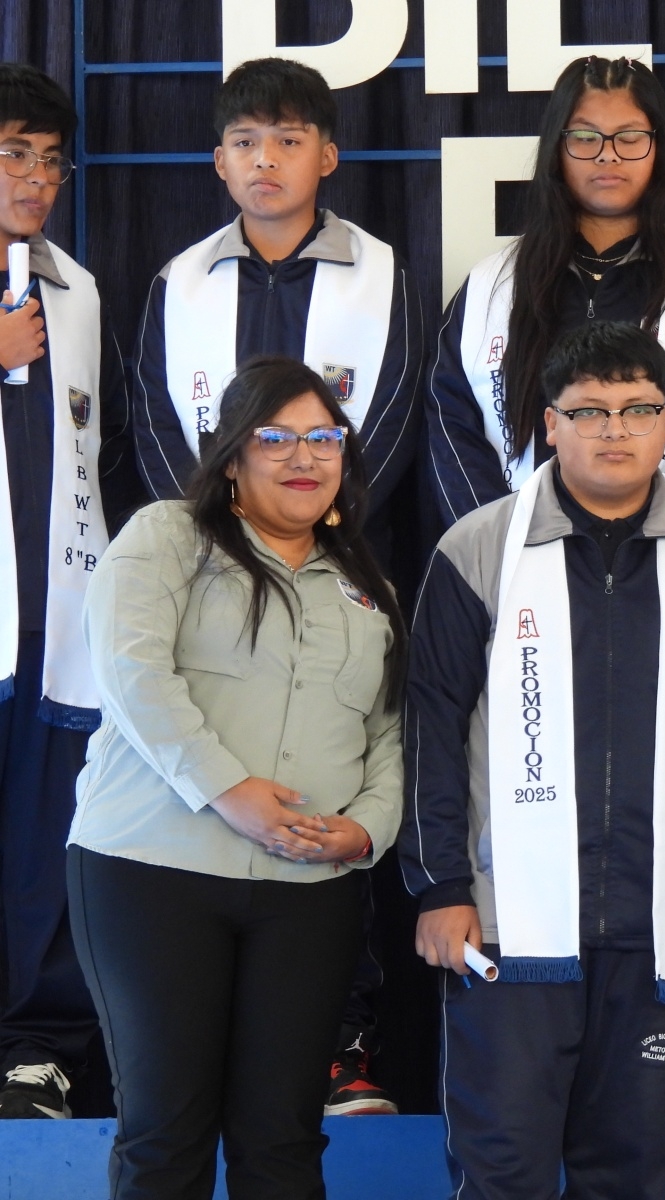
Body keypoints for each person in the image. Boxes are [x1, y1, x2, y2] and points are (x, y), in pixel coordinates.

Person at [401, 321, 665, 1200]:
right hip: (508, 921)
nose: (616, 429)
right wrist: (440, 884)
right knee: (503, 1172)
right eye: (590, 411)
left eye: (639, 409)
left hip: (662, 918)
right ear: (549, 424)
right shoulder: (479, 548)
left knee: (632, 1176)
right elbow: (431, 728)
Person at [130, 56, 422, 1115]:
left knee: (326, 786)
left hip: (340, 568)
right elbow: (156, 428)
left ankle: (341, 1042)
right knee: (216, 773)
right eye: (246, 141)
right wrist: (223, 543)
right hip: (208, 579)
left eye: (289, 139)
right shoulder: (178, 283)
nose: (267, 159)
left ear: (327, 156)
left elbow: (391, 425)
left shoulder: (383, 275)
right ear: (218, 161)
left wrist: (317, 532)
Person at [65, 356, 406, 1198]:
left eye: (324, 438)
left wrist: (368, 828)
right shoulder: (167, 535)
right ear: (231, 456)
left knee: (283, 1140)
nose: (305, 456)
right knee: (165, 1134)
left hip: (310, 892)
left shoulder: (370, 588)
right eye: (276, 437)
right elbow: (131, 672)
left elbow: (392, 732)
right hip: (152, 875)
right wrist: (229, 790)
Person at [426, 55, 665, 527]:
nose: (608, 155)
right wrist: (496, 541)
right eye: (585, 137)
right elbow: (450, 427)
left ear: (659, 148)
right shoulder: (491, 287)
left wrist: (660, 544)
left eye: (630, 137)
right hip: (512, 551)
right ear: (556, 149)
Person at [0, 63, 143, 1121]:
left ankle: (35, 1052)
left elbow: (104, 452)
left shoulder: (77, 289)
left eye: (53, 161)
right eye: (15, 154)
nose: (36, 180)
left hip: (55, 624)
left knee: (46, 843)